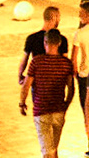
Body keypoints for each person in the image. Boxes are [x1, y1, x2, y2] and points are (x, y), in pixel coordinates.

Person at [20, 26, 76, 158]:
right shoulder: (66, 64)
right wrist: (65, 105)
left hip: (41, 111)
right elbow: (71, 89)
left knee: (48, 152)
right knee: (52, 150)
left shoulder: (36, 62)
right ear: (59, 43)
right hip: (58, 111)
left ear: (45, 42)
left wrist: (22, 103)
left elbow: (26, 86)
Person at [20, 6, 70, 83]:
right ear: (54, 18)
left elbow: (25, 59)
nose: (59, 20)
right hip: (55, 80)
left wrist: (20, 75)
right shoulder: (62, 39)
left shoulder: (32, 38)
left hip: (37, 79)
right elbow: (65, 61)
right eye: (59, 17)